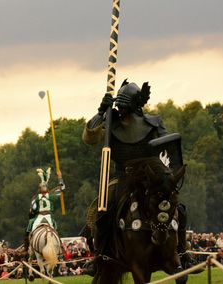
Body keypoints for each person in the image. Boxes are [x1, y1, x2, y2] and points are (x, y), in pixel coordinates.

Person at [82, 79, 199, 274]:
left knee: (178, 208)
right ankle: (100, 257)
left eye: (122, 103)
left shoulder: (154, 124)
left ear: (131, 105)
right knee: (103, 211)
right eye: (117, 103)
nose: (119, 106)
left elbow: (167, 152)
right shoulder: (112, 124)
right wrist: (101, 112)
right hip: (122, 178)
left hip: (150, 178)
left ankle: (183, 253)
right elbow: (89, 139)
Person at [17, 167, 65, 256]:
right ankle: (60, 246)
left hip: (39, 217)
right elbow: (62, 187)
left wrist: (32, 213)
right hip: (49, 217)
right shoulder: (52, 195)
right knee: (54, 230)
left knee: (29, 228)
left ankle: (26, 248)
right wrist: (60, 177)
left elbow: (32, 209)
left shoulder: (36, 198)